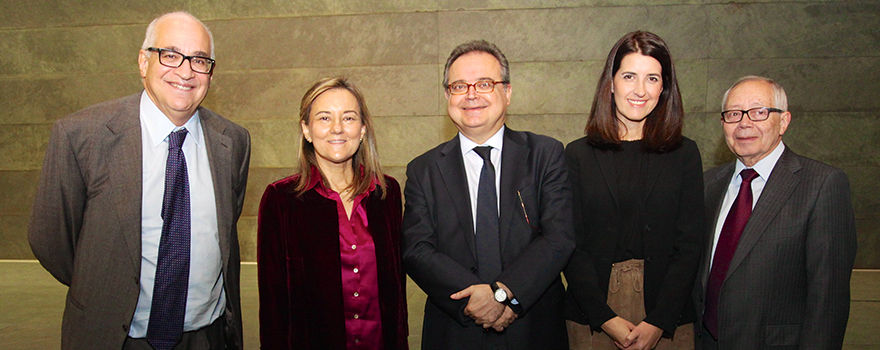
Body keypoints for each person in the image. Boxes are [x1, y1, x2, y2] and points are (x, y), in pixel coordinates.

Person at [28, 12, 250, 350]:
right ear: (143, 62)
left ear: (210, 72)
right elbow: (51, 240)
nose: (186, 71)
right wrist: (103, 286)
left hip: (208, 337)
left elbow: (226, 228)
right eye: (171, 55)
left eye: (200, 60)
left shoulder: (232, 141)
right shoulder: (81, 136)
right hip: (114, 337)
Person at [401, 39, 575, 350]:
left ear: (507, 92)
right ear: (447, 96)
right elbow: (417, 250)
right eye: (459, 86)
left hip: (533, 329)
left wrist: (504, 293)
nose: (471, 95)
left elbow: (558, 237)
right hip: (455, 331)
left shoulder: (545, 154)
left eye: (484, 83)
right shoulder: (423, 170)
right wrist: (476, 297)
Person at [562, 31, 704, 350]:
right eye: (629, 76)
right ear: (611, 83)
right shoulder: (577, 155)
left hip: (667, 315)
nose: (640, 90)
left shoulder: (684, 154)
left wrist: (658, 321)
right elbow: (571, 244)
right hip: (593, 313)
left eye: (652, 78)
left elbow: (690, 244)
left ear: (664, 87)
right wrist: (604, 317)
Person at [694, 75, 857, 349]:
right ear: (723, 124)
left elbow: (828, 300)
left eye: (759, 112)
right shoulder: (708, 184)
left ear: (783, 121)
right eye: (734, 114)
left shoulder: (822, 184)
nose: (744, 123)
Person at [257, 77, 408, 349]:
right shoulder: (281, 200)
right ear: (306, 129)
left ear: (362, 129)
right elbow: (272, 306)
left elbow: (397, 294)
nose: (337, 129)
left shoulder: (387, 193)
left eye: (348, 118)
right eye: (324, 118)